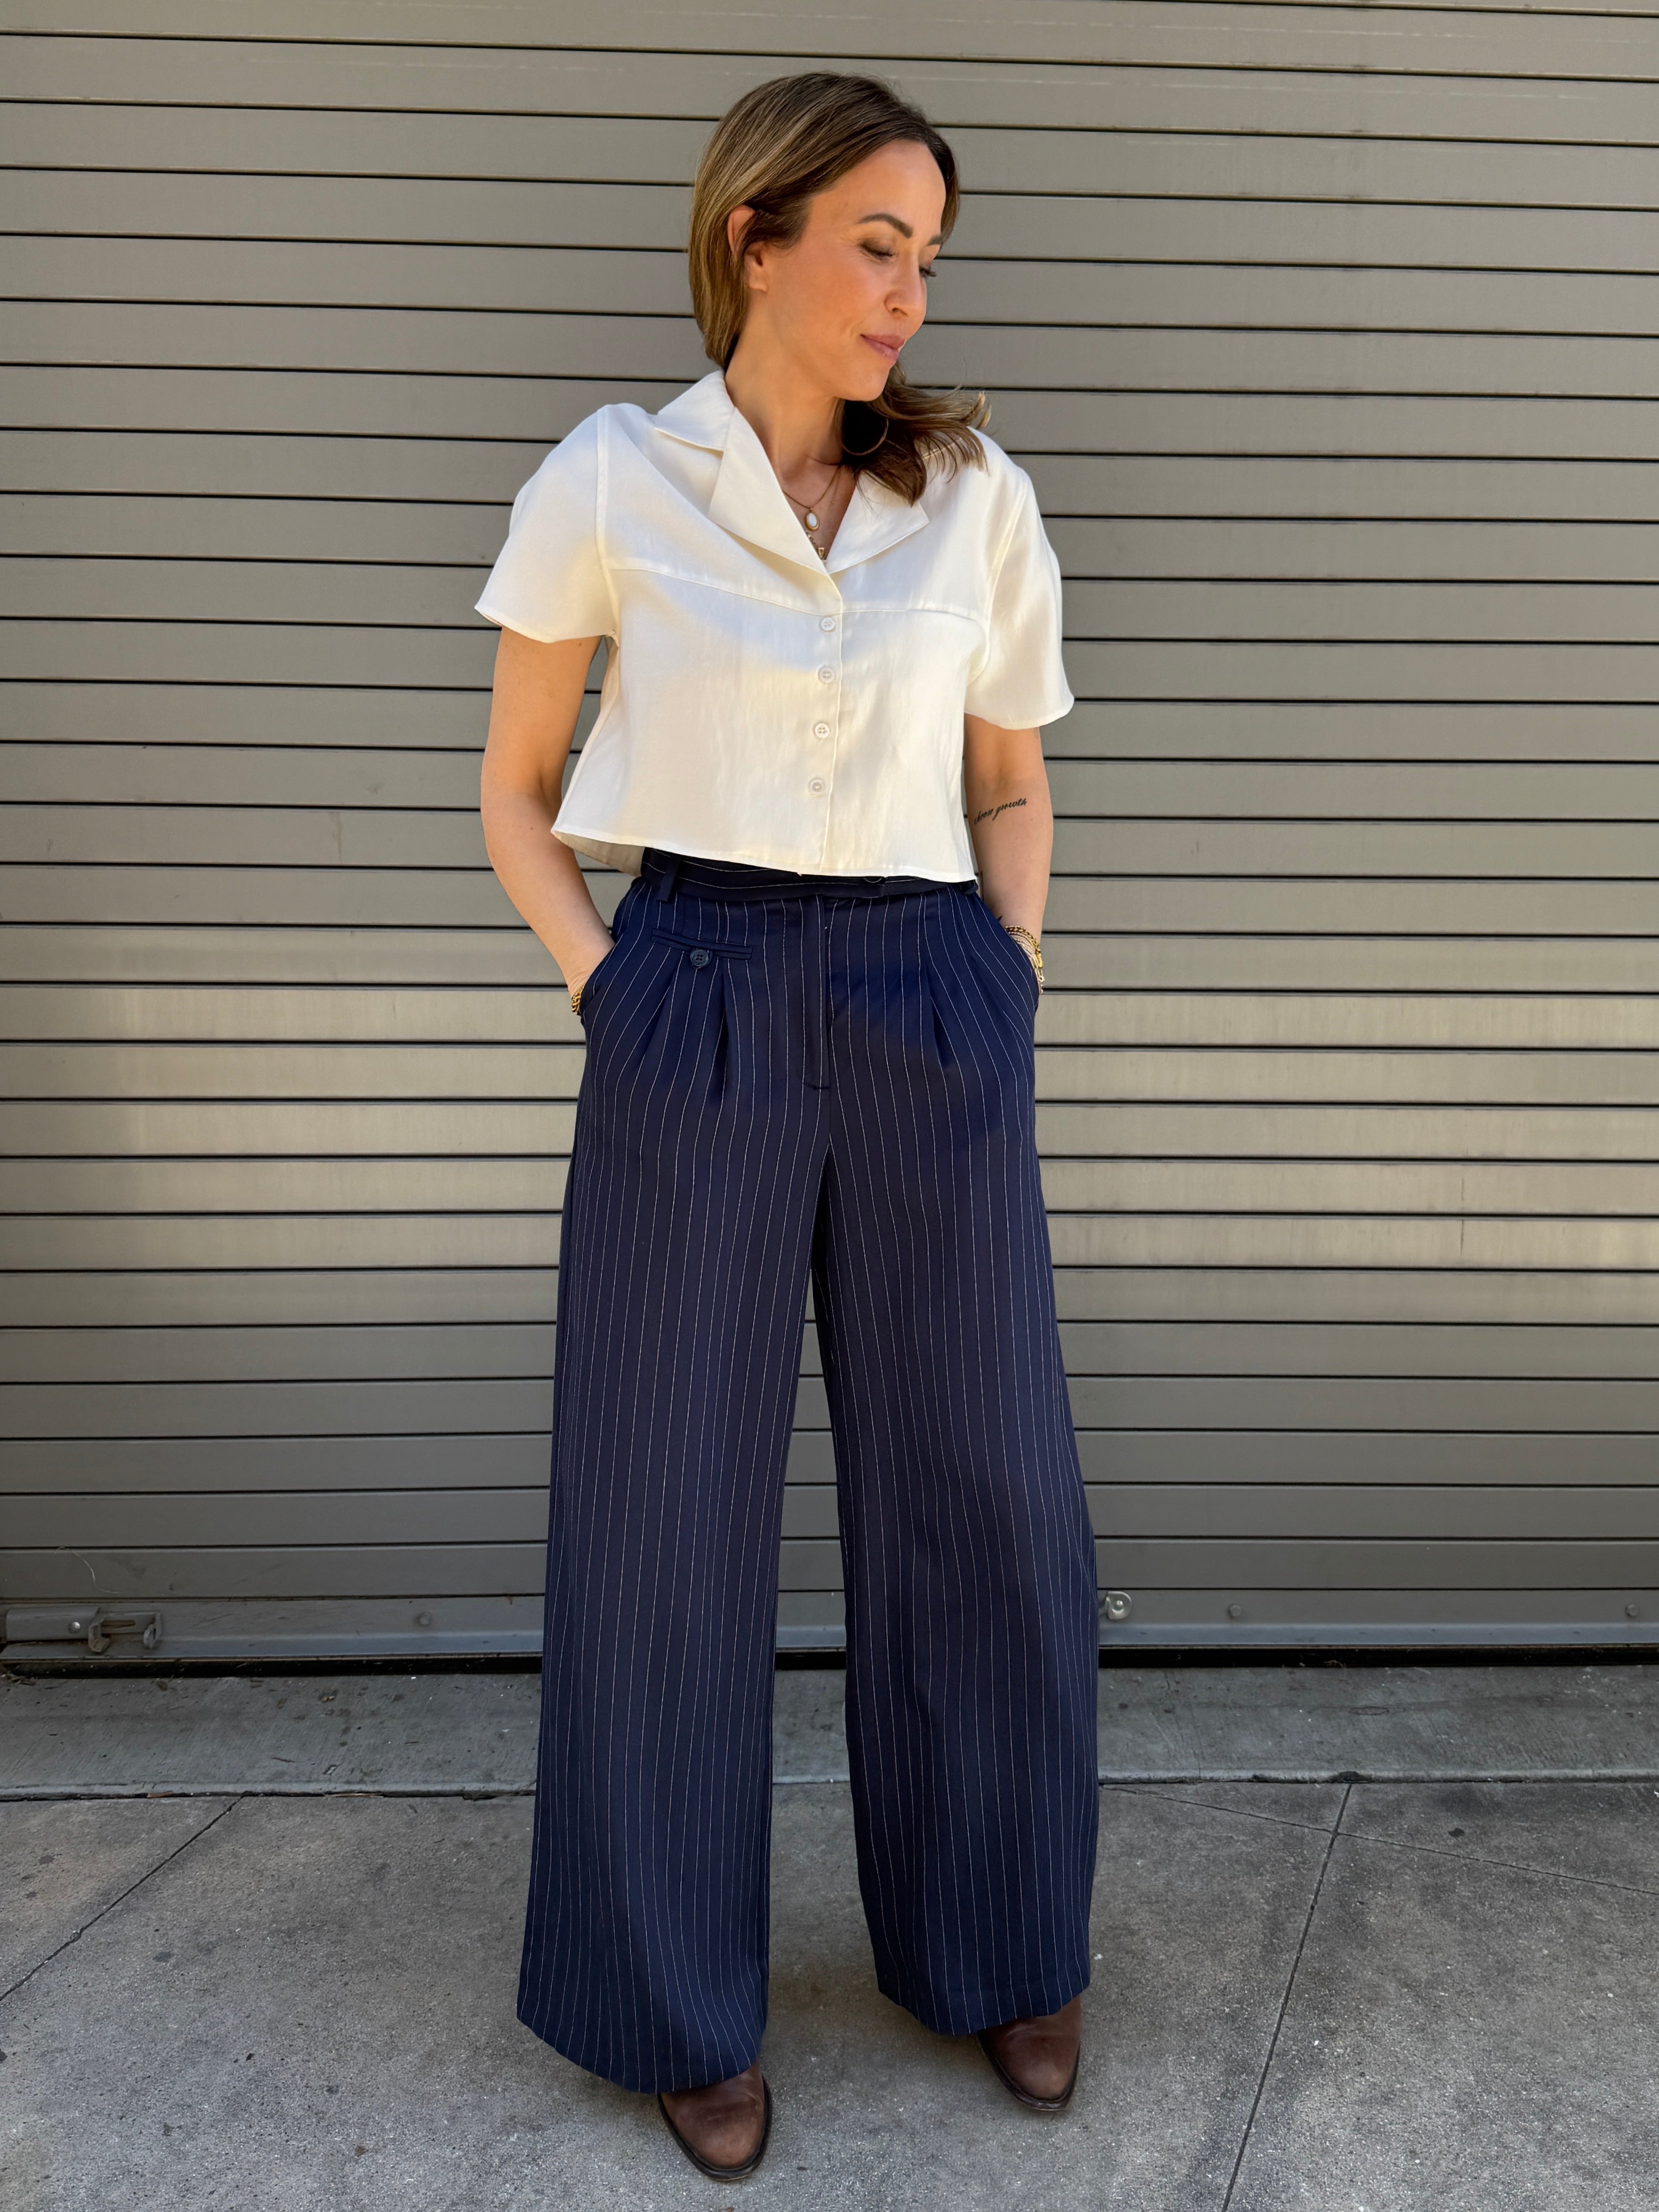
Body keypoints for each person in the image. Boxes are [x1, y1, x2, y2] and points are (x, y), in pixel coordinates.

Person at [476, 70, 1099, 2182]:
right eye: (875, 244)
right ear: (755, 237)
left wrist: (1005, 974)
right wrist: (614, 983)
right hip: (699, 982)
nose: (909, 292)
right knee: (659, 1507)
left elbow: (1008, 775)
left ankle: (1000, 1937)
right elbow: (514, 792)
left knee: (986, 1489)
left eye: (929, 256)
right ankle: (671, 1997)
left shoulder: (972, 494)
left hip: (930, 988)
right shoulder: (612, 477)